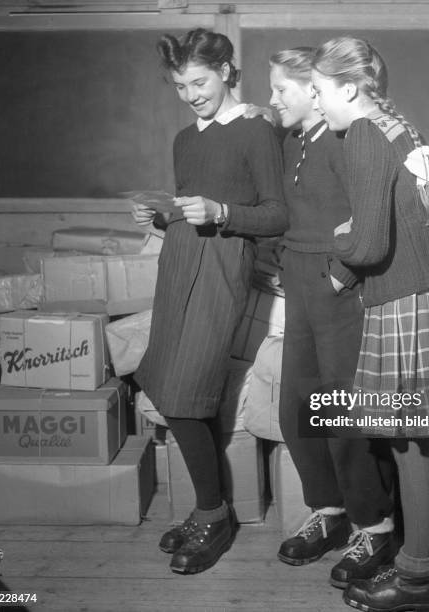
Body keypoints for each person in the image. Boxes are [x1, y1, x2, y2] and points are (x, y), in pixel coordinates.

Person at [311, 37, 429, 611]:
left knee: (407, 440)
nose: (316, 103)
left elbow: (368, 242)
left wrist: (335, 260)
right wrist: (355, 234)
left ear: (350, 88)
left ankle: (415, 582)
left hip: (408, 298)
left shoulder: (360, 133)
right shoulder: (398, 126)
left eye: (319, 91)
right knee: (423, 434)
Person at [132, 28, 287, 575]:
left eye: (199, 81)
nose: (191, 93)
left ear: (226, 70)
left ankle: (214, 515)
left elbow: (276, 214)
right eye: (179, 85)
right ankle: (210, 510)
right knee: (162, 381)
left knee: (188, 392)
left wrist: (223, 212)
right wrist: (159, 214)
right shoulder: (184, 139)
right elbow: (187, 204)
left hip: (223, 268)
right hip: (178, 263)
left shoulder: (254, 131)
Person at [266, 47, 396, 585]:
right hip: (300, 283)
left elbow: (374, 217)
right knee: (296, 411)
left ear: (316, 93)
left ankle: (376, 525)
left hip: (338, 288)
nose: (273, 101)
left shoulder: (348, 142)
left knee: (342, 417)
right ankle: (330, 512)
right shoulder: (294, 138)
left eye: (282, 90)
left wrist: (342, 274)